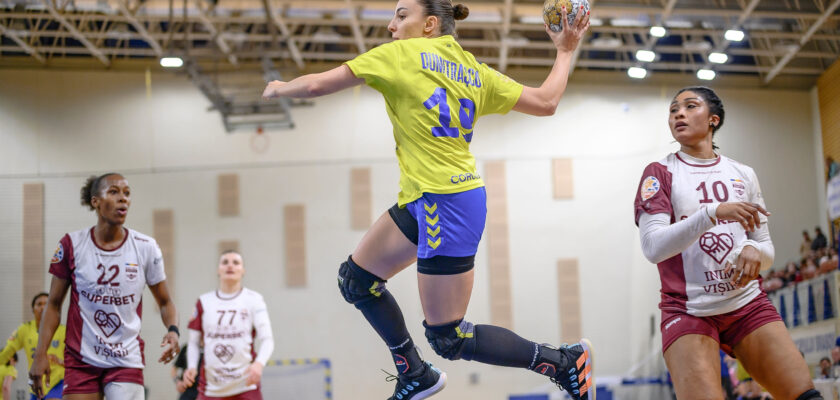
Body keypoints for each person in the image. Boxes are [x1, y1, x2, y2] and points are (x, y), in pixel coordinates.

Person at [262, 1, 594, 399]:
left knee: (449, 336)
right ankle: (415, 373)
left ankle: (562, 362)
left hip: (447, 201)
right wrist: (565, 49)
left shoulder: (402, 53)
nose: (391, 25)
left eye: (402, 16)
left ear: (430, 24)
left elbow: (317, 85)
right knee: (357, 281)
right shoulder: (474, 70)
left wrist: (280, 87)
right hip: (427, 197)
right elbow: (546, 102)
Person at [634, 86, 820, 399]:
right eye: (673, 109)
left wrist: (754, 251)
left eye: (690, 106)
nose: (679, 113)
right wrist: (711, 212)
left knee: (805, 395)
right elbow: (653, 247)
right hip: (688, 310)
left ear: (713, 120)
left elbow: (765, 246)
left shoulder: (743, 174)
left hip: (746, 304)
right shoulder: (661, 173)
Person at [28, 173, 180, 400]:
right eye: (114, 192)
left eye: (127, 193)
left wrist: (173, 331)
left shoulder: (146, 247)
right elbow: (54, 304)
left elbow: (166, 301)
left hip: (125, 359)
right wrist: (40, 354)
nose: (123, 199)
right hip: (81, 359)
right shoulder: (72, 244)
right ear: (95, 202)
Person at [182, 251, 274, 400]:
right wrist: (191, 366)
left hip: (246, 386)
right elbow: (193, 342)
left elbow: (267, 339)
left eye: (236, 262)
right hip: (211, 389)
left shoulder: (254, 300)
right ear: (218, 270)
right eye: (225, 262)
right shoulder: (204, 301)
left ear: (243, 270)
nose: (230, 265)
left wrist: (259, 364)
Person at [0, 293, 66, 400]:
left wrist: (61, 361)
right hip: (36, 383)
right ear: (33, 309)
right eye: (39, 304)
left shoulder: (63, 330)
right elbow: (7, 352)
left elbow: (76, 358)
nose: (42, 307)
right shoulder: (24, 330)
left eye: (46, 304)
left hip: (57, 382)